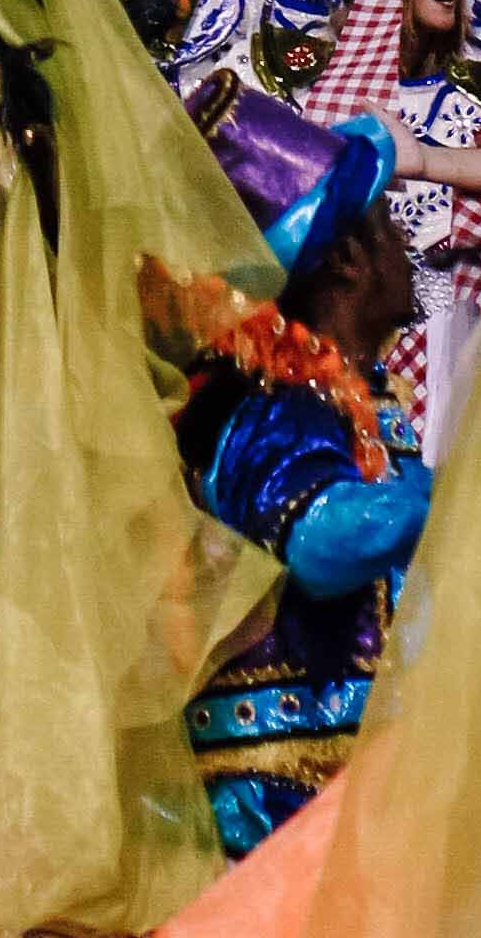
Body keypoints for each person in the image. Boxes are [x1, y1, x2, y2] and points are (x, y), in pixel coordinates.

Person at [160, 98, 433, 855]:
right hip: (288, 792)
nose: (407, 245)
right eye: (390, 225)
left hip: (358, 782)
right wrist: (453, 496)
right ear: (347, 259)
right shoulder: (276, 400)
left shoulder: (351, 395)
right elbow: (318, 540)